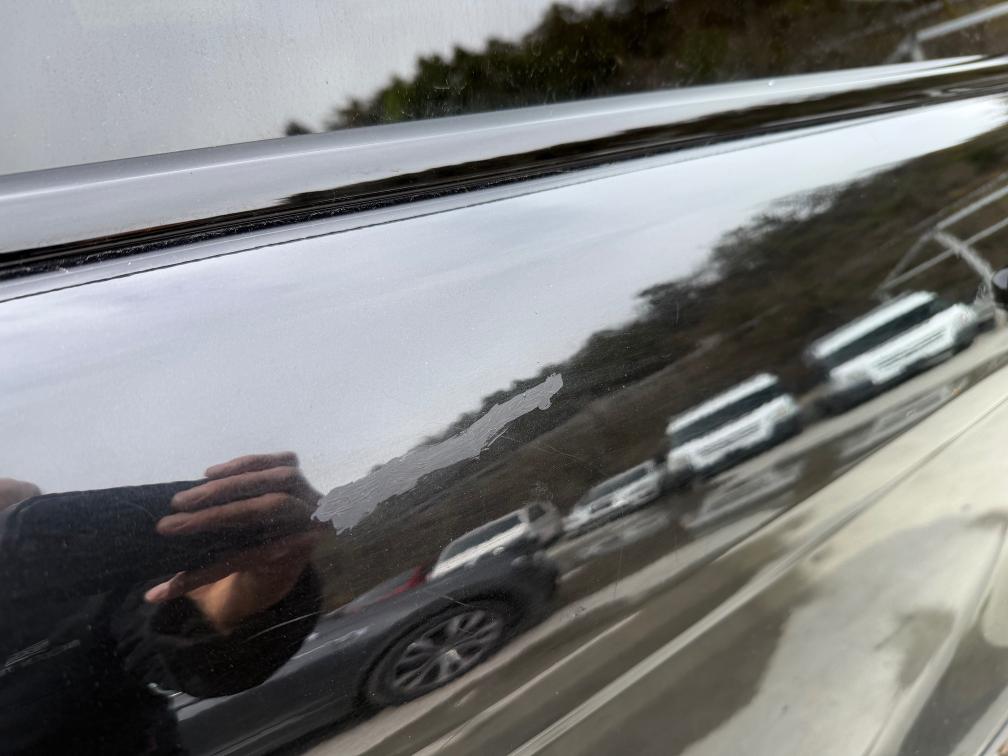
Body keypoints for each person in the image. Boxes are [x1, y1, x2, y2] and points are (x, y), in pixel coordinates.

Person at [0, 452, 323, 755]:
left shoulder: (86, 594)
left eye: (32, 515)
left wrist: (243, 596)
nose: (20, 538)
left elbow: (171, 640)